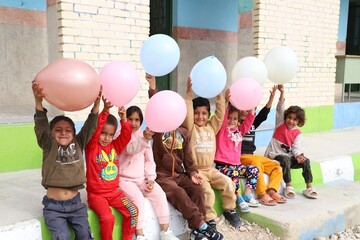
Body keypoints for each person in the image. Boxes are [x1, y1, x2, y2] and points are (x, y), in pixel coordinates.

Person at [146, 73, 224, 240]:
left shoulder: (184, 133)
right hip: (163, 176)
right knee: (178, 193)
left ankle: (196, 232)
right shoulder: (158, 129)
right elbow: (156, 105)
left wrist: (194, 173)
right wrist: (153, 87)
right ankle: (201, 225)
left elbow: (188, 158)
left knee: (197, 188)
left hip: (180, 174)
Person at [32, 80, 99, 239]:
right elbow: (41, 125)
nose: (63, 133)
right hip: (54, 207)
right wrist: (38, 101)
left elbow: (91, 125)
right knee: (61, 236)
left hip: (76, 205)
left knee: (84, 235)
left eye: (68, 130)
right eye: (58, 130)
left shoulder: (79, 142)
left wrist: (96, 104)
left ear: (74, 133)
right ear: (51, 133)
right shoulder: (48, 145)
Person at [182, 78, 241, 229]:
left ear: (208, 114)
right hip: (197, 171)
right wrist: (188, 95)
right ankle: (210, 219)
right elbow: (188, 115)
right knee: (208, 193)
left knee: (229, 183)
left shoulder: (211, 127)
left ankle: (230, 209)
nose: (200, 117)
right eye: (196, 113)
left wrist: (219, 95)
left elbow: (220, 115)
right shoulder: (190, 128)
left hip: (211, 169)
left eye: (204, 113)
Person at [119, 105, 178, 240]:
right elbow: (130, 149)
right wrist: (145, 139)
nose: (133, 123)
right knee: (138, 200)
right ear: (124, 119)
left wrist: (150, 179)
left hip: (141, 179)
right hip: (124, 180)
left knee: (159, 194)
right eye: (130, 119)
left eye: (137, 120)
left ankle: (165, 232)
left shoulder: (143, 135)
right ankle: (140, 235)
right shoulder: (120, 134)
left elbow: (149, 161)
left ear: (141, 121)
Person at [84, 97, 138, 240]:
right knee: (108, 218)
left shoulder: (115, 146)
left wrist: (124, 120)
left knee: (133, 211)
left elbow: (126, 136)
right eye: (103, 133)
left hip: (115, 193)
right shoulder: (92, 147)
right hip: (97, 195)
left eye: (110, 135)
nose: (106, 138)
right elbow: (95, 131)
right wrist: (105, 111)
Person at [264, 85, 317, 199]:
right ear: (286, 117)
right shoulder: (280, 123)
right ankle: (288, 186)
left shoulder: (298, 133)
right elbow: (280, 108)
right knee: (286, 158)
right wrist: (282, 92)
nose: (291, 121)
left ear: (299, 121)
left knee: (305, 161)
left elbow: (295, 148)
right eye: (289, 117)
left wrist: (298, 156)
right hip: (274, 156)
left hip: (287, 159)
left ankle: (309, 187)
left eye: (295, 119)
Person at [214, 90, 260, 213]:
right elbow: (222, 117)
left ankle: (247, 194)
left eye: (235, 119)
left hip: (236, 166)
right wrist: (226, 103)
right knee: (234, 173)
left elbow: (249, 121)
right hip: (222, 167)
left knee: (254, 169)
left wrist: (252, 108)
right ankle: (238, 197)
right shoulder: (222, 131)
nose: (231, 121)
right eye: (229, 118)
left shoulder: (239, 132)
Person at [240, 85, 286, 206]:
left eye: (249, 109)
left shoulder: (253, 122)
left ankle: (271, 190)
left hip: (251, 156)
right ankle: (261, 194)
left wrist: (272, 97)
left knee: (276, 166)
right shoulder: (235, 123)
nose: (245, 112)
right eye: (243, 109)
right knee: (256, 162)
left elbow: (264, 114)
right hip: (240, 157)